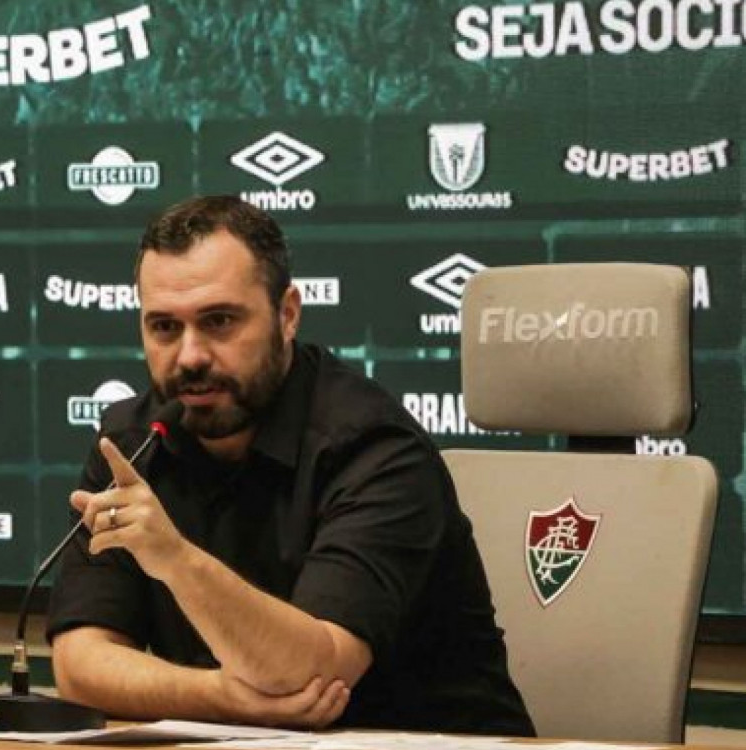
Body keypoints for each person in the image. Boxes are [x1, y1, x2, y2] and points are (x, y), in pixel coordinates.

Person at [46, 195, 534, 734]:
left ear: (287, 314)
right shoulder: (132, 444)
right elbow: (80, 663)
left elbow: (311, 672)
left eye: (220, 321)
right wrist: (222, 698)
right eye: (164, 327)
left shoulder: (374, 448)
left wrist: (176, 560)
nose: (189, 356)